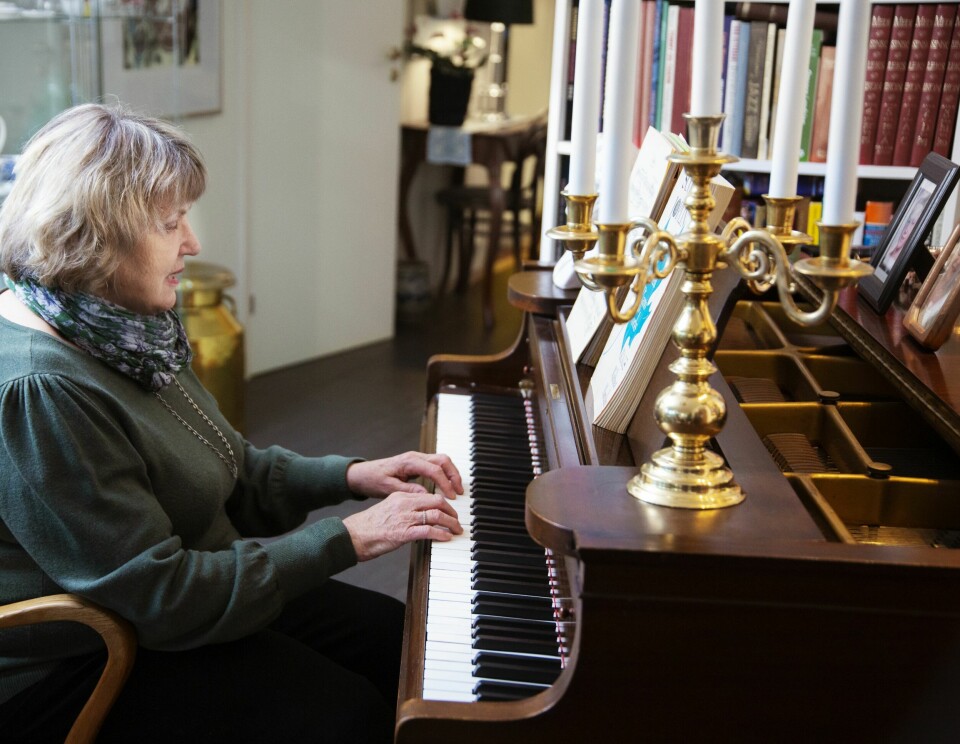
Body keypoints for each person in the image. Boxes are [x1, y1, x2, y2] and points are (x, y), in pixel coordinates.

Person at [0, 103, 463, 743]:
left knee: (396, 642)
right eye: (170, 224)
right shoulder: (42, 389)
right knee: (344, 714)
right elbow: (159, 597)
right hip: (83, 660)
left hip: (181, 592)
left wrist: (354, 476)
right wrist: (349, 539)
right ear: (94, 241)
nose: (192, 243)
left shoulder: (125, 325)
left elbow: (230, 467)